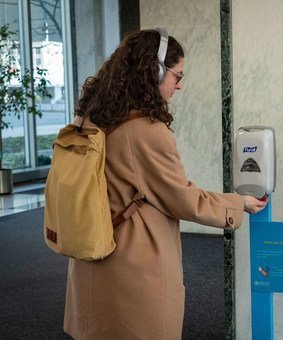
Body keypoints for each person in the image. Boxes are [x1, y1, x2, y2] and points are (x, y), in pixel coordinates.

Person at [63, 28, 268, 339]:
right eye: (176, 75)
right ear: (154, 71)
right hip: (132, 266)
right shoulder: (146, 131)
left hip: (91, 255)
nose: (179, 84)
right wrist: (237, 203)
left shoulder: (89, 117)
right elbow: (182, 198)